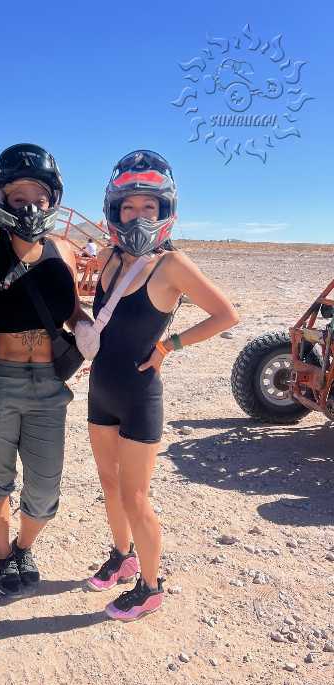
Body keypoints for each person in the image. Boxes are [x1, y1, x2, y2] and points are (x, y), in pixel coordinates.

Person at [85, 149, 239, 621]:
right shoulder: (109, 258)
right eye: (128, 207)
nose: (138, 216)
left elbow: (226, 315)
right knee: (109, 483)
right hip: (101, 390)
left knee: (135, 496)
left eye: (148, 207)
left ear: (164, 210)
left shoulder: (171, 265)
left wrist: (169, 344)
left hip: (139, 396)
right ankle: (123, 555)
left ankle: (151, 588)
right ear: (114, 211)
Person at [0, 144, 90, 596]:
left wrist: (87, 329)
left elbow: (71, 310)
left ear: (53, 200)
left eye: (40, 196)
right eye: (18, 197)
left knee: (46, 486)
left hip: (50, 385)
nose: (30, 206)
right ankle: (2, 558)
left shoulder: (65, 251)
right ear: (0, 198)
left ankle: (23, 547)